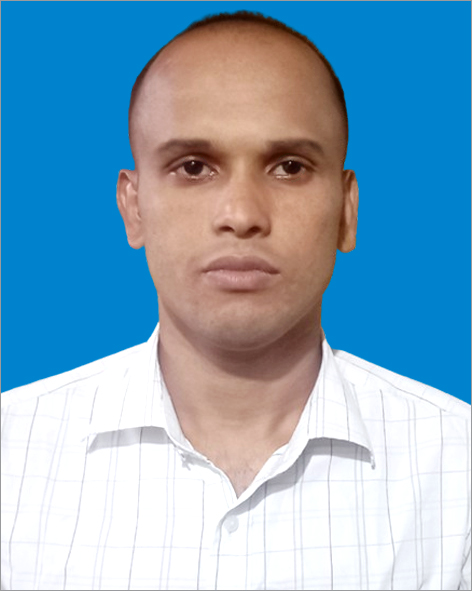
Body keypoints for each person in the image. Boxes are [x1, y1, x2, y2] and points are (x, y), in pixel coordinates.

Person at [1, 10, 470, 591]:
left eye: (289, 167)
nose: (242, 215)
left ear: (347, 210)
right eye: (194, 166)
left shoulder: (458, 470)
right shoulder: (11, 455)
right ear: (133, 206)